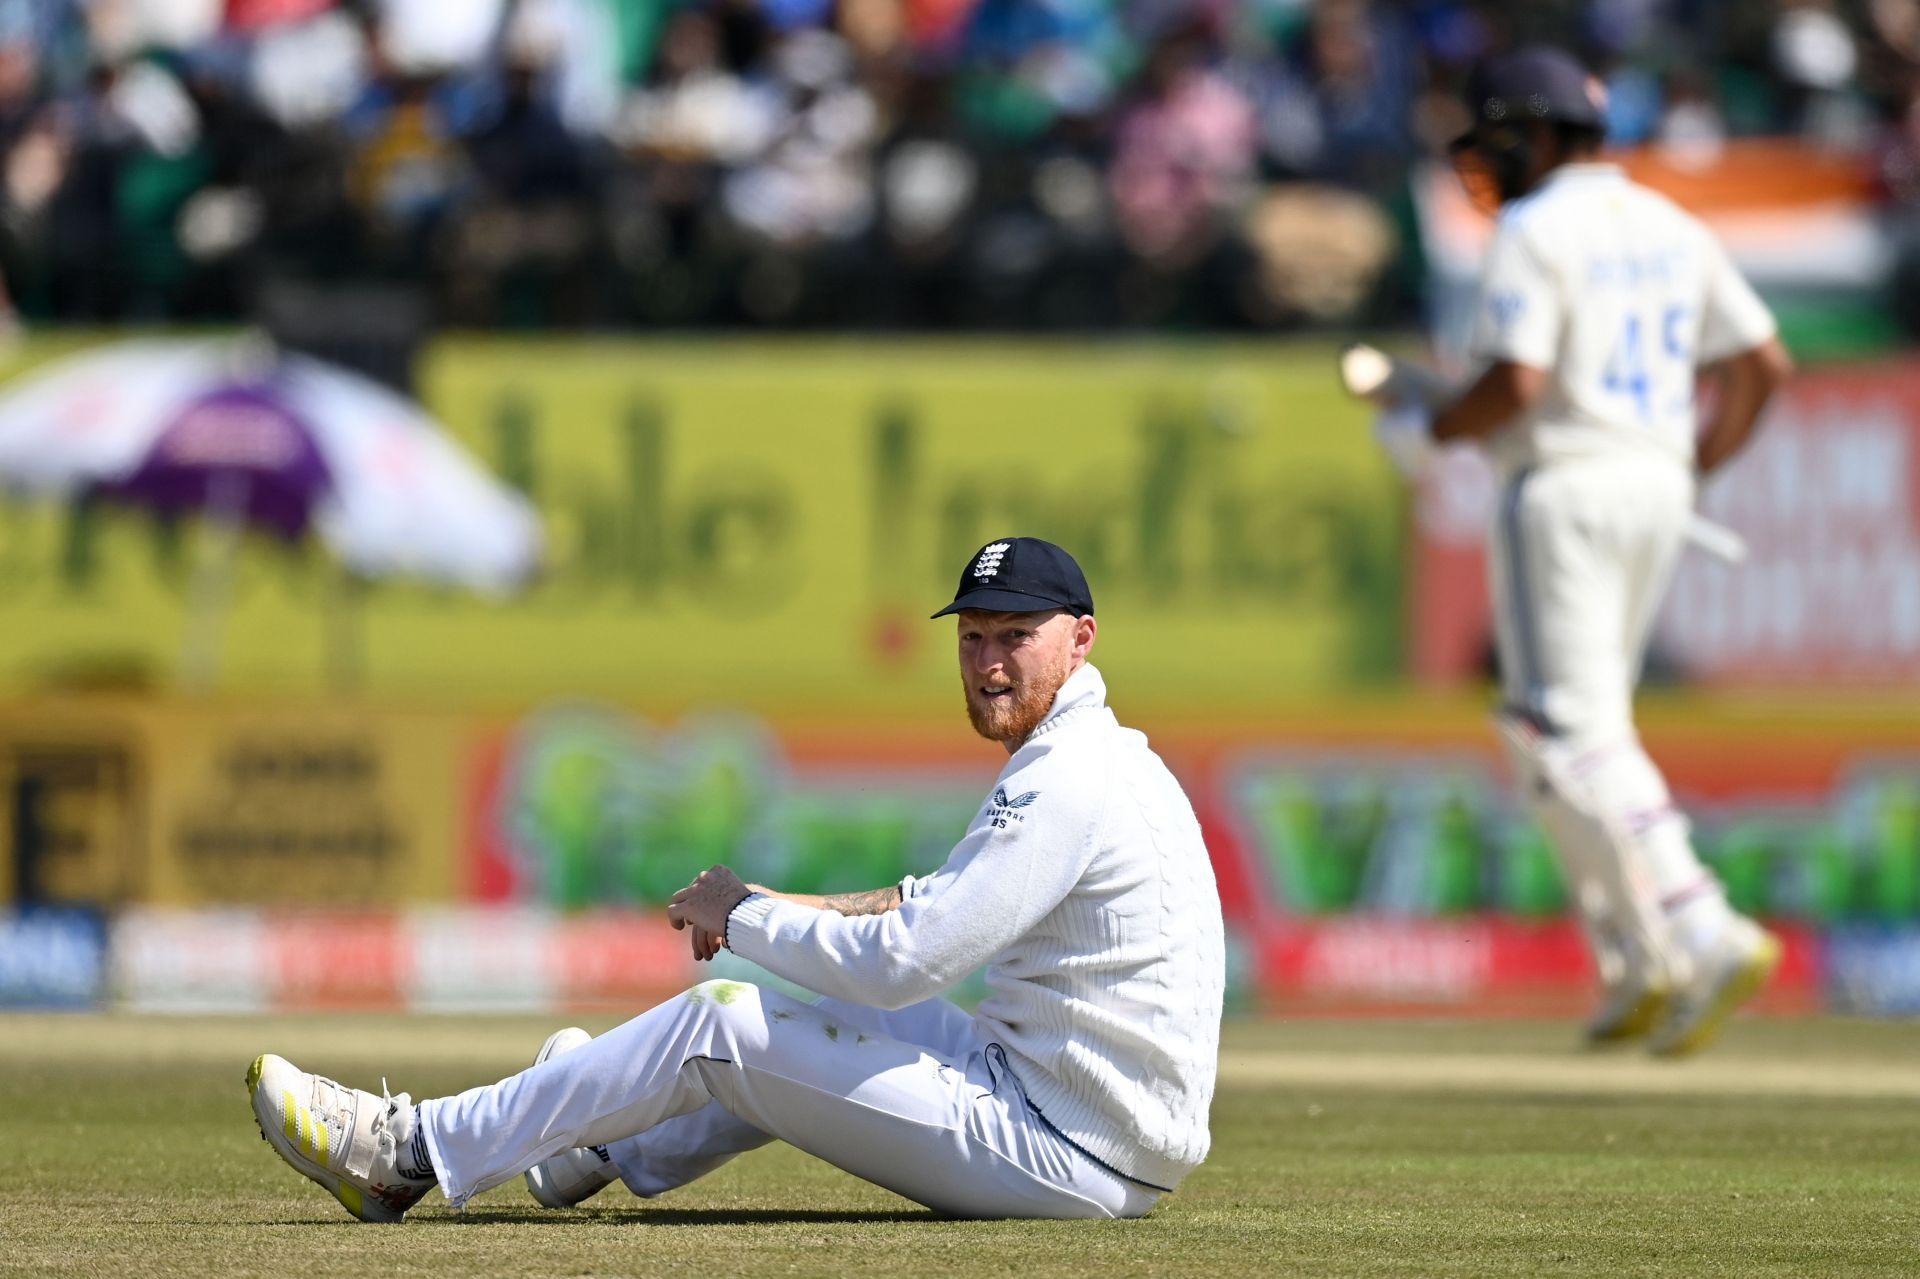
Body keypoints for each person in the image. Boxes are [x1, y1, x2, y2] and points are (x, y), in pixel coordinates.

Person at [245, 536, 1226, 1221]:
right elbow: (922, 904)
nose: (988, 661)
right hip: (1080, 1123)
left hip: (1065, 1150)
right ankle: (592, 1146)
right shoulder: (1094, 758)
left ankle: (402, 1151)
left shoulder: (1068, 779)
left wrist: (743, 916)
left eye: (1016, 635)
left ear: (1081, 637)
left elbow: (906, 962)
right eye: (972, 636)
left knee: (723, 1020)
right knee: (789, 1014)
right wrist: (773, 906)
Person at [1431, 46, 1794, 1054]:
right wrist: (1694, 465)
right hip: (1654, 484)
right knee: (1563, 735)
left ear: (1533, 137)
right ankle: (1639, 955)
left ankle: (1700, 926)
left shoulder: (1535, 228)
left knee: (1571, 731)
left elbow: (1517, 383)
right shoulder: (1668, 222)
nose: (1488, 163)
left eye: (1497, 139)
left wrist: (1433, 424)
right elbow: (1765, 364)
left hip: (1564, 486)